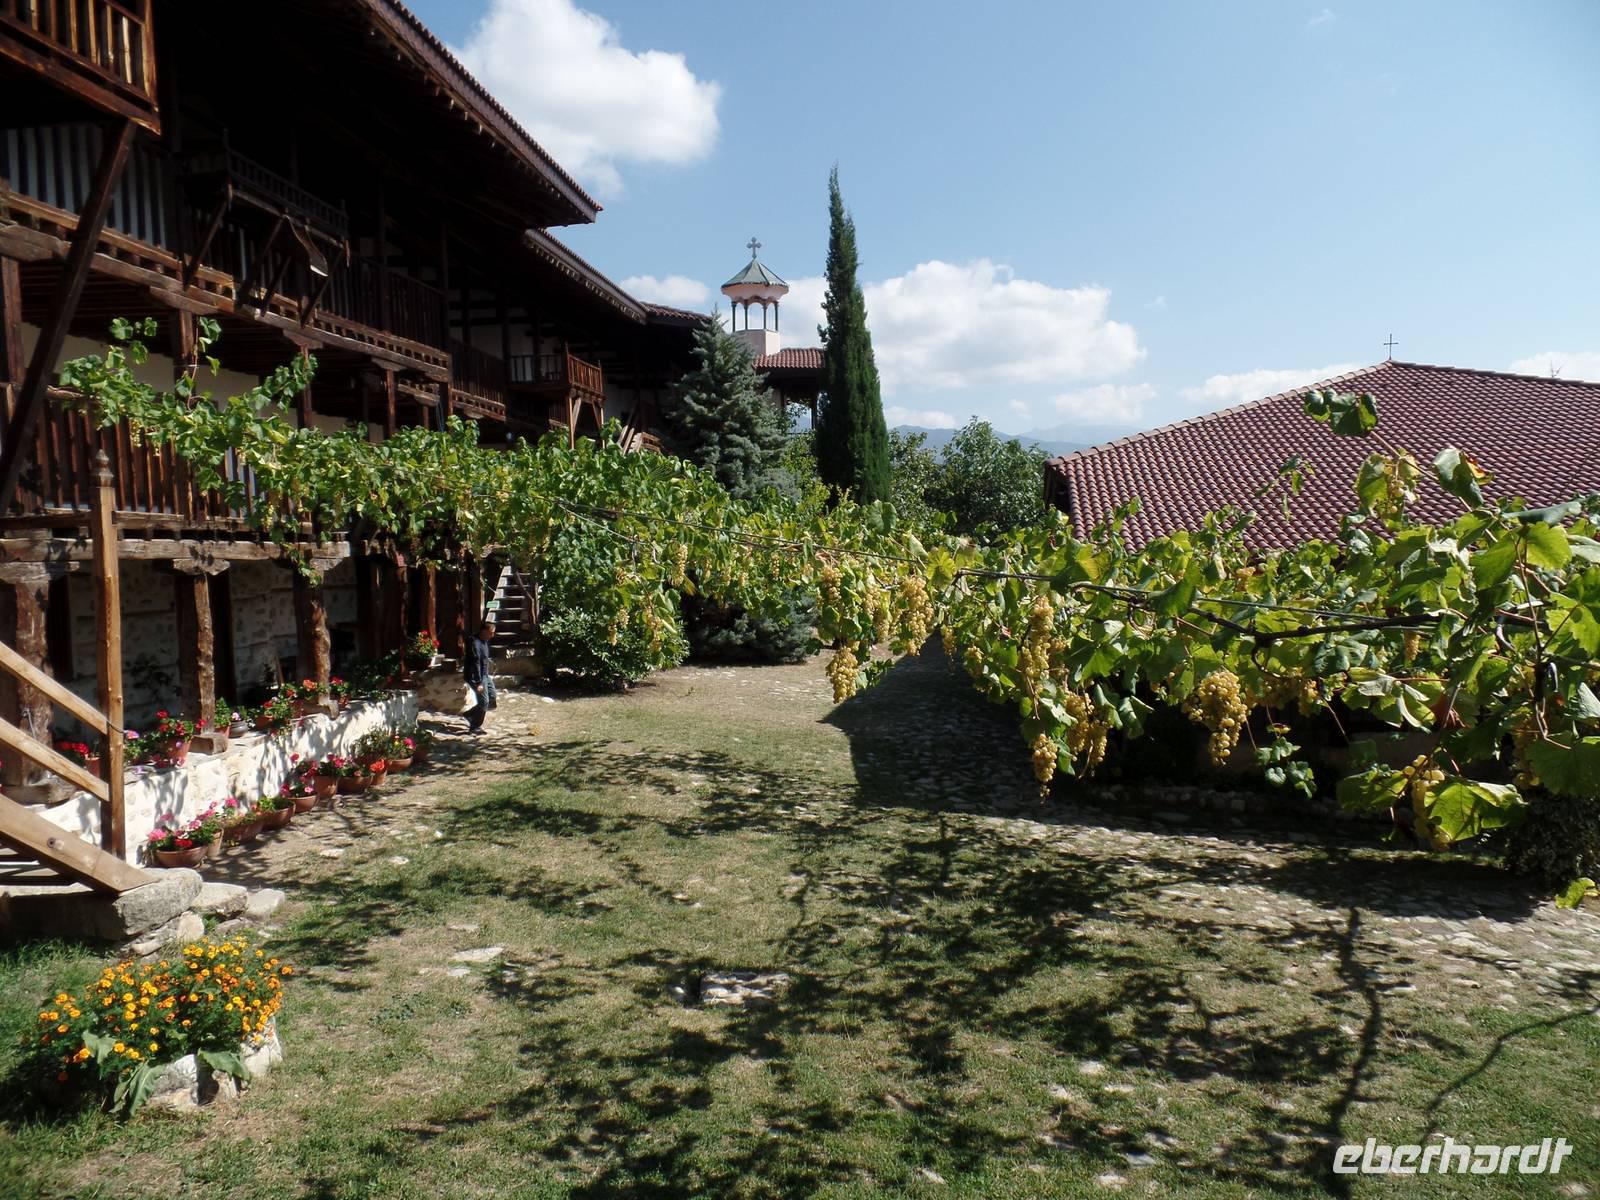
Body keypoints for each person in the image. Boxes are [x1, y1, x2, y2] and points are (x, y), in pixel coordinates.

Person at [463, 620, 496, 732]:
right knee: (484, 702)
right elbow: (475, 664)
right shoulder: (474, 643)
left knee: (492, 697)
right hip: (475, 676)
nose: (493, 635)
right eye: (491, 632)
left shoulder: (485, 641)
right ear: (484, 631)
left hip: (484, 674)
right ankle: (475, 726)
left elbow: (483, 660)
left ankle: (469, 714)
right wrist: (479, 683)